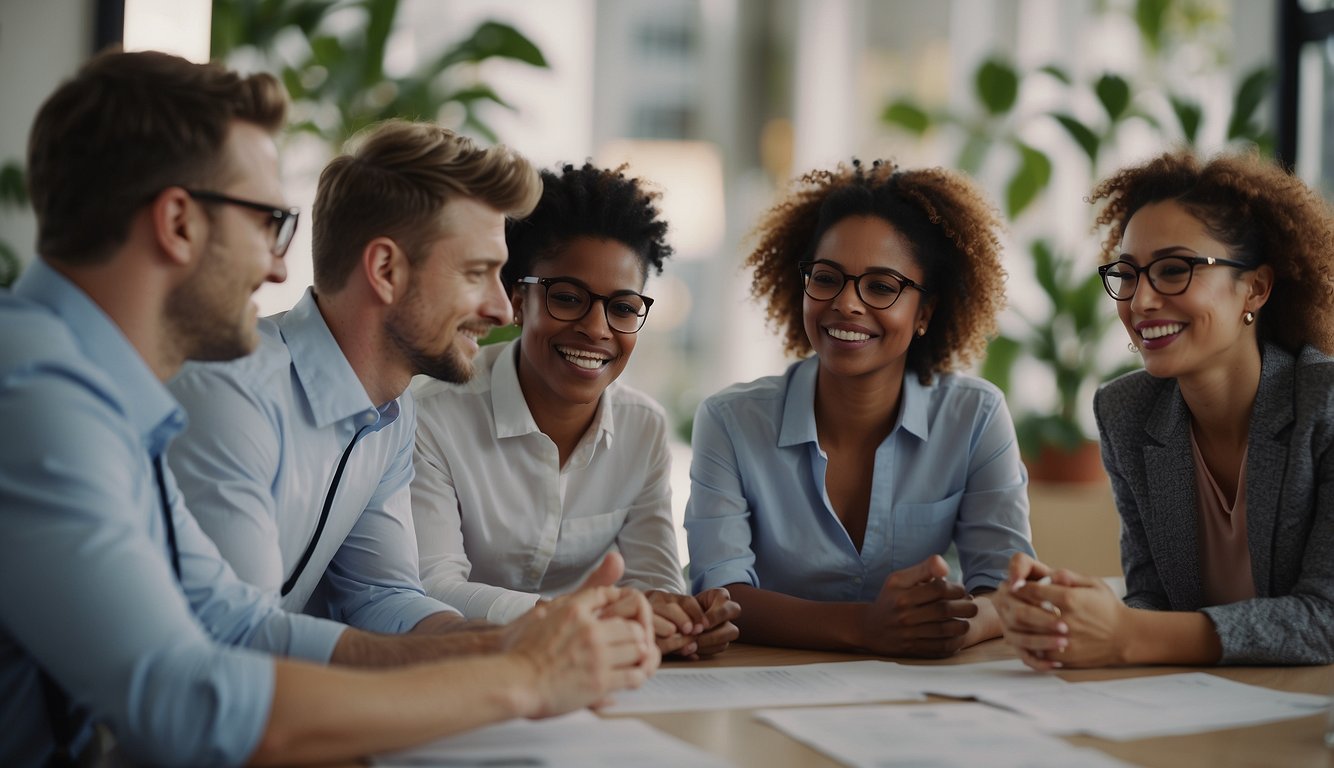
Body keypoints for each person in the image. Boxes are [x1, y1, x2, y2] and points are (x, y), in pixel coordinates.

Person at [0, 50, 655, 767]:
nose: (280, 266)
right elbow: (189, 704)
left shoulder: (95, 392)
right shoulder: (32, 391)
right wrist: (523, 677)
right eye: (268, 223)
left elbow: (233, 619)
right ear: (180, 222)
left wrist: (512, 645)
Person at [167, 119, 571, 654]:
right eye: (478, 273)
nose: (501, 309)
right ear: (385, 269)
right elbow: (237, 646)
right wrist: (494, 664)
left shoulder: (392, 411)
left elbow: (383, 597)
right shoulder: (231, 392)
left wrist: (531, 637)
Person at [997, 149, 1334, 668]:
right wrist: (1069, 614)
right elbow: (1152, 598)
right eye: (1127, 274)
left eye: (1174, 270)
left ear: (1256, 287)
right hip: (1203, 708)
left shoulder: (1324, 404)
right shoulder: (1127, 412)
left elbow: (1326, 619)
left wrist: (1129, 634)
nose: (1141, 301)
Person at [685, 158, 1035, 658]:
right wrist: (866, 627)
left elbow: (1008, 585)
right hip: (762, 688)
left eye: (881, 286)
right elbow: (717, 595)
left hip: (921, 693)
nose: (847, 304)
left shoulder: (974, 417)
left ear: (925, 313)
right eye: (827, 278)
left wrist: (948, 626)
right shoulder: (731, 422)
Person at [412, 162, 741, 658]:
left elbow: (654, 582)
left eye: (624, 308)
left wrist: (684, 621)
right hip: (461, 667)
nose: (596, 327)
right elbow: (430, 587)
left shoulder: (643, 428)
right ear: (519, 301)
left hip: (592, 682)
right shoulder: (433, 415)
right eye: (567, 298)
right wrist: (594, 616)